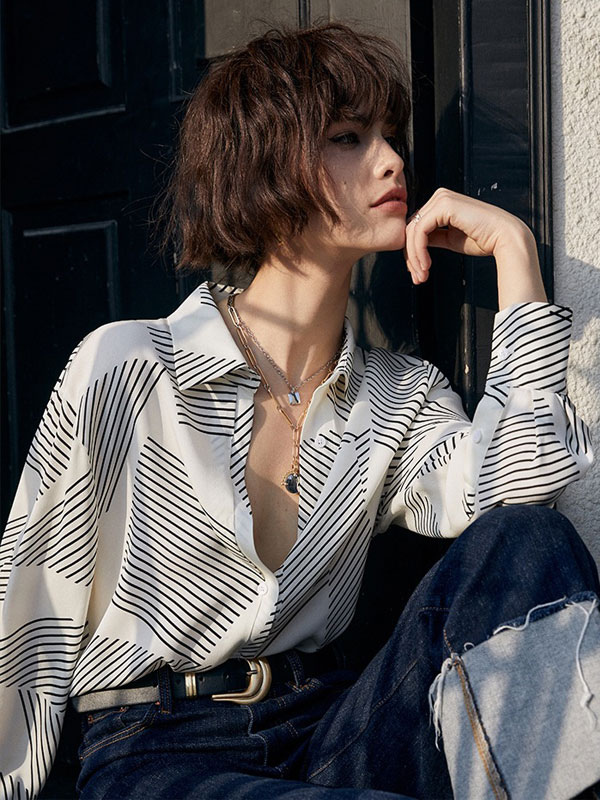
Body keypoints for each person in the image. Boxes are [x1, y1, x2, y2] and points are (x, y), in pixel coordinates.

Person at [1, 21, 599, 800]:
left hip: (330, 727)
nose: (393, 160)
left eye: (389, 136)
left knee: (531, 539)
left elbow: (517, 505)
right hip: (156, 751)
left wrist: (517, 256)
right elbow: (32, 614)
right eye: (349, 138)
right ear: (265, 166)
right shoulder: (128, 366)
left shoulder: (401, 397)